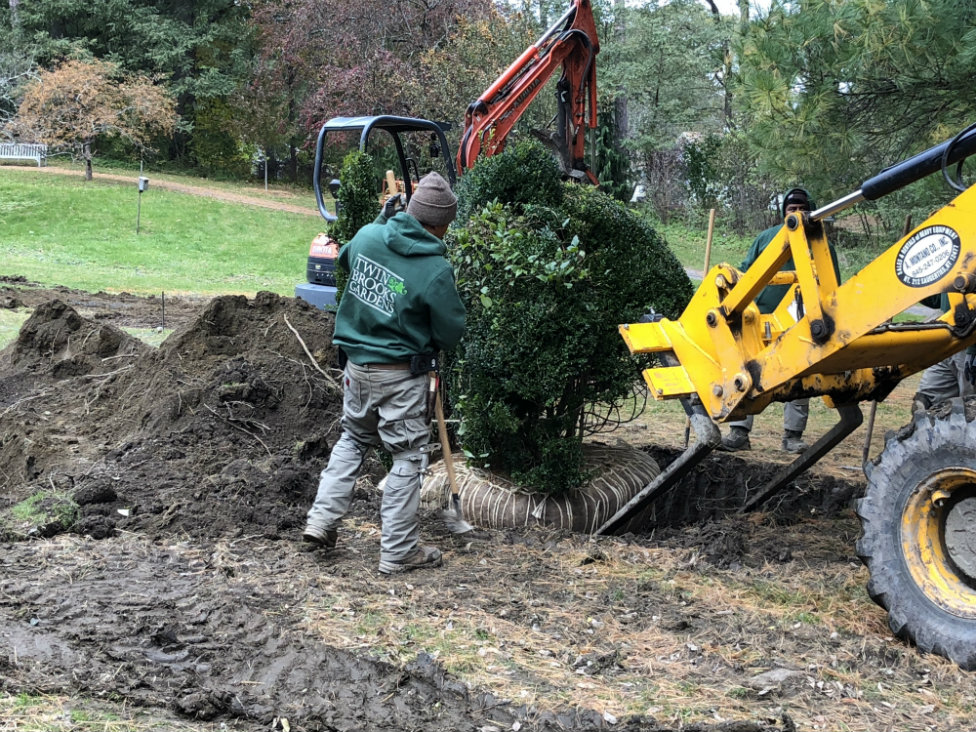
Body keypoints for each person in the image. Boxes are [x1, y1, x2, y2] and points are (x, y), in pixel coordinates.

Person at [303, 171, 466, 574]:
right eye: (447, 225)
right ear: (440, 223)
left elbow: (345, 259)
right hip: (401, 376)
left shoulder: (368, 237)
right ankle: (397, 552)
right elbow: (451, 331)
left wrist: (378, 224)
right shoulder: (434, 268)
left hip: (356, 368)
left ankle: (320, 522)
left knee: (353, 440)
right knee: (408, 457)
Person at [719, 187, 841, 454]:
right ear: (784, 212)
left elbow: (833, 287)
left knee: (798, 375)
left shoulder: (821, 244)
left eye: (802, 209)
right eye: (791, 209)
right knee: (748, 373)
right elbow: (744, 273)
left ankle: (792, 436)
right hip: (759, 319)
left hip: (801, 322)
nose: (797, 213)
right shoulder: (766, 239)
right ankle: (739, 432)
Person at [912, 293, 976, 410]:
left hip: (969, 345)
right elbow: (938, 300)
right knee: (924, 403)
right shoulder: (952, 274)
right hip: (947, 342)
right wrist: (913, 290)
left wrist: (973, 349)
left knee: (970, 407)